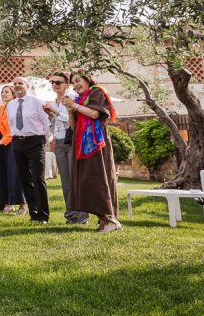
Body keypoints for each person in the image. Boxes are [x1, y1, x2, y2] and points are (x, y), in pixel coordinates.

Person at [62, 72, 121, 232]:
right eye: (73, 82)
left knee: (99, 177)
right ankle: (102, 218)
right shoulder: (80, 99)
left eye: (78, 80)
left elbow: (95, 114)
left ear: (88, 80)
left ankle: (110, 218)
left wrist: (74, 105)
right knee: (87, 180)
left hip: (96, 143)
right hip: (82, 144)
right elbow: (73, 125)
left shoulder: (97, 91)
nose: (75, 85)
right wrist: (69, 109)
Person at [44, 71, 88, 224]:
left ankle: (82, 217)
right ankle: (70, 215)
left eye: (58, 82)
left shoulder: (72, 99)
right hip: (59, 143)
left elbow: (72, 122)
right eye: (52, 82)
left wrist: (55, 112)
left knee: (76, 180)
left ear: (66, 84)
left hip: (72, 142)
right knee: (66, 182)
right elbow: (54, 126)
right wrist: (50, 115)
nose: (55, 85)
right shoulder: (53, 101)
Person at [6, 77, 51, 223]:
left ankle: (43, 215)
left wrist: (44, 140)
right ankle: (34, 213)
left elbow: (46, 123)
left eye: (20, 83)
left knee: (38, 179)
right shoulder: (11, 105)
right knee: (25, 179)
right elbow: (11, 125)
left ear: (27, 86)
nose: (17, 86)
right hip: (17, 143)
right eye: (15, 84)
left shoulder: (37, 103)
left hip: (35, 141)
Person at [0, 85, 26, 215]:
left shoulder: (16, 107)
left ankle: (23, 205)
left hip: (12, 143)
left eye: (7, 92)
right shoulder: (0, 108)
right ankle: (7, 203)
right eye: (2, 92)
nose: (4, 94)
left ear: (13, 94)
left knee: (15, 174)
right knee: (2, 174)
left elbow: (14, 127)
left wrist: (2, 141)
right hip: (0, 144)